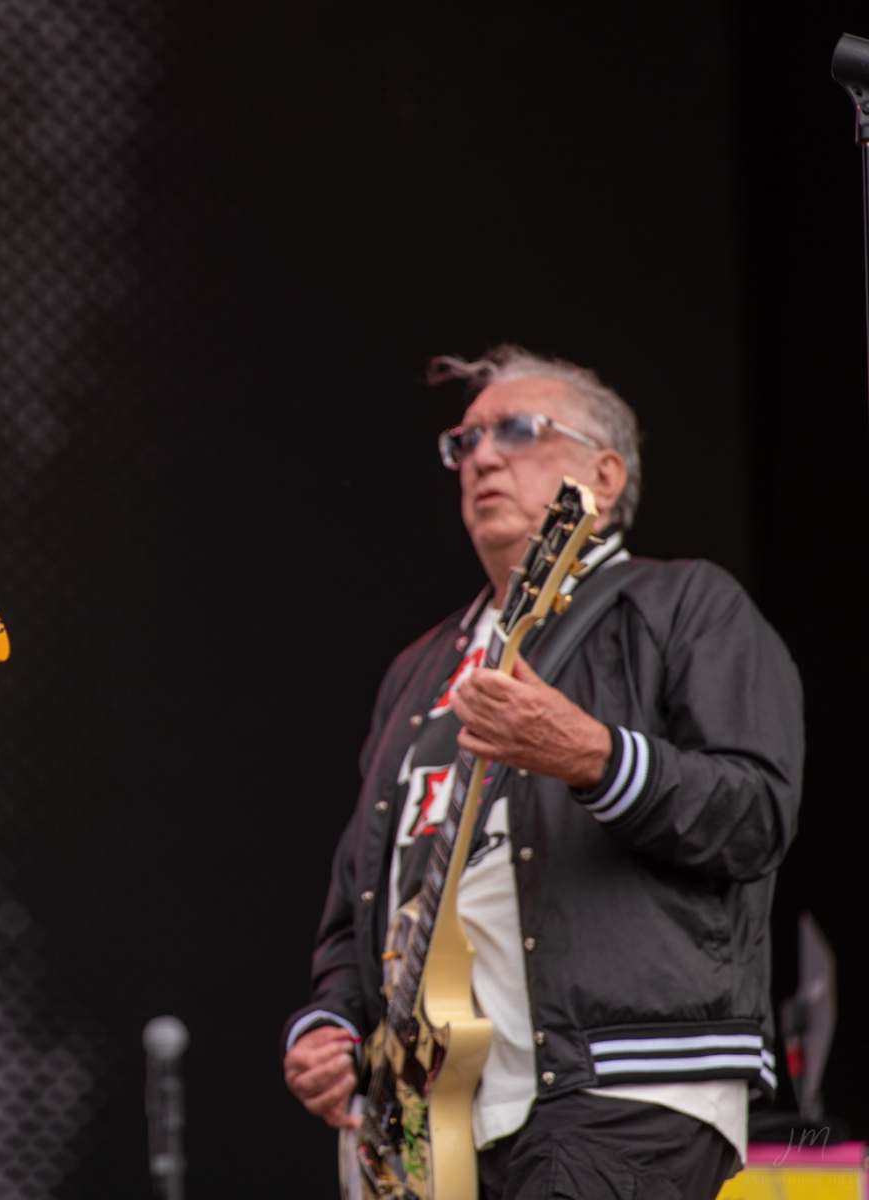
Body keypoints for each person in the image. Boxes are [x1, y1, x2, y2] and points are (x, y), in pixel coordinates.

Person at [281, 346, 803, 1198]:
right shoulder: (417, 671)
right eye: (464, 442)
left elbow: (757, 817)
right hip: (434, 1121)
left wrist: (595, 757)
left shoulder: (687, 604)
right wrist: (331, 1024)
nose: (482, 457)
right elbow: (359, 898)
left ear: (603, 474)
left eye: (518, 431)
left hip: (621, 1087)